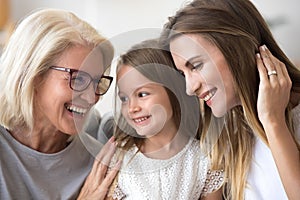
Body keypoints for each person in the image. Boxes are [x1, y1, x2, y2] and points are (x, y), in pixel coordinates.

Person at [160, 0, 300, 199]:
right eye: (183, 74)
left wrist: (273, 121)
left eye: (196, 66)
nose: (190, 88)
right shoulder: (232, 134)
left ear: (235, 49)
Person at [0, 8, 119, 199]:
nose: (91, 98)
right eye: (78, 80)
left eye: (97, 82)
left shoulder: (98, 167)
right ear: (33, 76)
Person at [107, 39, 224, 200]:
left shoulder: (206, 159)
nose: (132, 107)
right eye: (124, 98)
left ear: (174, 90)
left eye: (142, 94)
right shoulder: (119, 158)